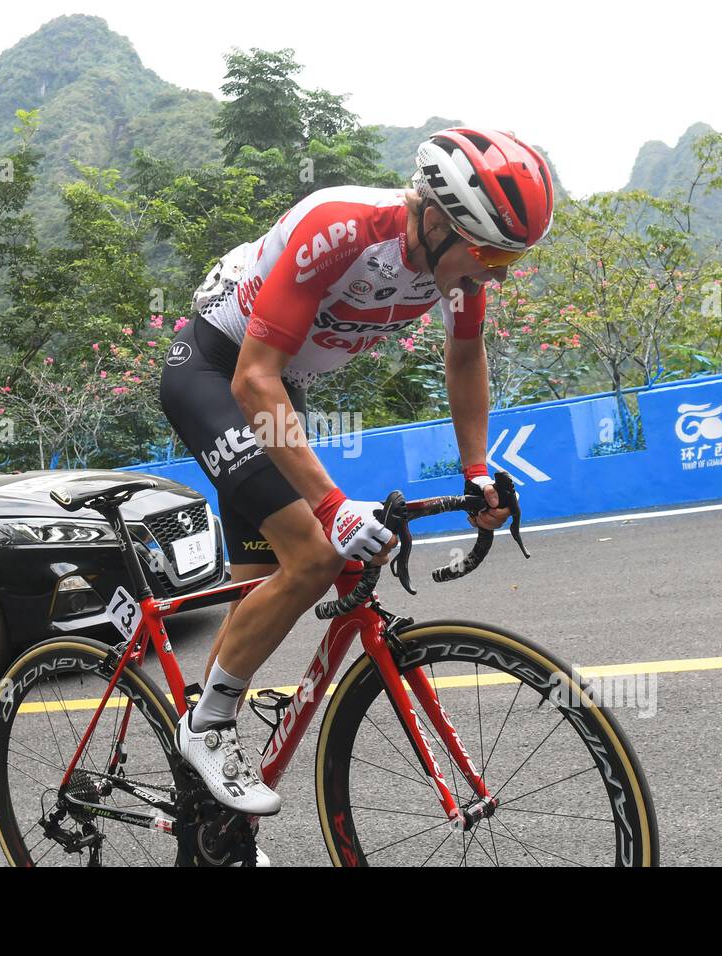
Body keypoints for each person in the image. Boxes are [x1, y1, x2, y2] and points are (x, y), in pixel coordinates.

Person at [159, 128, 555, 819]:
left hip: (279, 385)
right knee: (313, 554)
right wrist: (334, 504)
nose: (494, 275)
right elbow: (254, 379)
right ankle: (205, 730)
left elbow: (464, 361)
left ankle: (200, 807)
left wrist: (477, 472)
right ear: (435, 218)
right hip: (220, 374)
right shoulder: (341, 229)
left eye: (510, 261)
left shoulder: (456, 271)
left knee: (262, 587)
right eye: (490, 254)